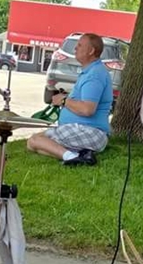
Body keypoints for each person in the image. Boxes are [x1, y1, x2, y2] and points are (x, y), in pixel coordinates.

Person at [27, 33, 112, 166]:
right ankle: (77, 156)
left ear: (91, 51)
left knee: (35, 140)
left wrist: (64, 100)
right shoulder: (91, 71)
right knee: (34, 144)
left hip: (90, 131)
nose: (75, 49)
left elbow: (87, 109)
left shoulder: (94, 75)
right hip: (82, 130)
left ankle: (72, 157)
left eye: (79, 45)